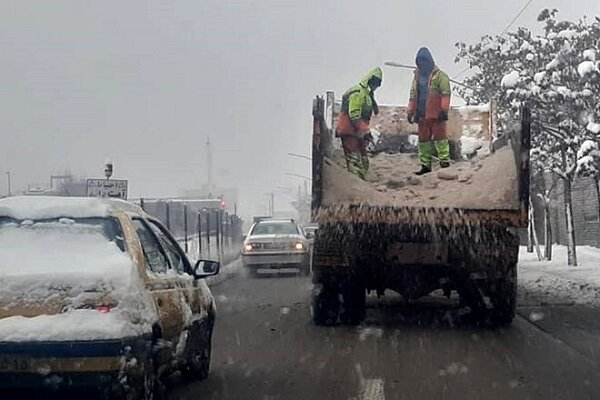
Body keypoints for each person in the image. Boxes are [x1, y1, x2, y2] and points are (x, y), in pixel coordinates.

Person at [407, 48, 451, 175]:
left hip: (437, 114)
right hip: (421, 114)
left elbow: (445, 94)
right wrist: (410, 111)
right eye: (420, 62)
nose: (422, 64)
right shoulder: (416, 77)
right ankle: (425, 166)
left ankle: (444, 162)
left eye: (424, 61)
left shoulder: (440, 76)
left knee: (440, 139)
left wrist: (444, 110)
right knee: (423, 141)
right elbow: (412, 96)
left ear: (430, 61)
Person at [336, 67, 383, 180]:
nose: (375, 87)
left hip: (358, 133)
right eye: (375, 84)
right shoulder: (357, 93)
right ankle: (355, 187)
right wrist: (364, 129)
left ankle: (362, 183)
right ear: (370, 81)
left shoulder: (367, 94)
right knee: (355, 161)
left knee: (363, 160)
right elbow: (354, 114)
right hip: (348, 130)